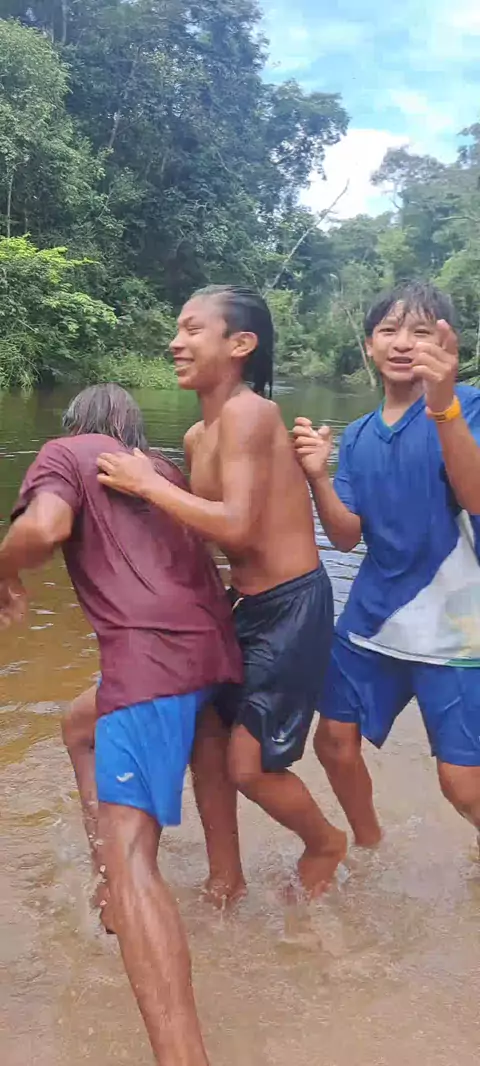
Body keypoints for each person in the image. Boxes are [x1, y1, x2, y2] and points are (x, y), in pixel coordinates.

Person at [0, 383, 242, 1066]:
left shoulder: (64, 453)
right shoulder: (162, 472)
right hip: (215, 653)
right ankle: (215, 886)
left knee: (137, 860)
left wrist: (4, 570)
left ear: (76, 423)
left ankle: (181, 1054)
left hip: (152, 664)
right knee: (78, 726)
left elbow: (44, 529)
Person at [96, 285, 347, 901]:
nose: (174, 343)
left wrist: (147, 485)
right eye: (176, 330)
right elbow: (202, 535)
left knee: (249, 767)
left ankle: (325, 841)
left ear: (241, 345)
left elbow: (235, 524)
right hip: (238, 606)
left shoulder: (250, 413)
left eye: (192, 330)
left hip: (291, 607)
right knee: (206, 739)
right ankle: (225, 877)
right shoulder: (194, 436)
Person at [293, 281, 480, 849]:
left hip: (457, 627)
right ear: (369, 345)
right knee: (333, 742)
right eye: (389, 330)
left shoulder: (468, 405)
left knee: (462, 786)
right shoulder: (358, 436)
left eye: (420, 331)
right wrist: (318, 476)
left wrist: (443, 406)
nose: (402, 343)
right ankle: (369, 844)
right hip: (373, 616)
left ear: (446, 343)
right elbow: (345, 537)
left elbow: (474, 497)